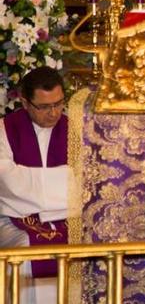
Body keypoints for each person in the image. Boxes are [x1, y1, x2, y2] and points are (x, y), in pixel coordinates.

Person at [0, 66, 69, 303]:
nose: (53, 113)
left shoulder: (75, 130)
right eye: (44, 107)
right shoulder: (5, 130)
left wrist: (31, 180)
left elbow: (84, 182)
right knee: (26, 247)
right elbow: (8, 182)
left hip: (70, 219)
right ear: (26, 103)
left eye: (59, 103)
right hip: (14, 220)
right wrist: (61, 181)